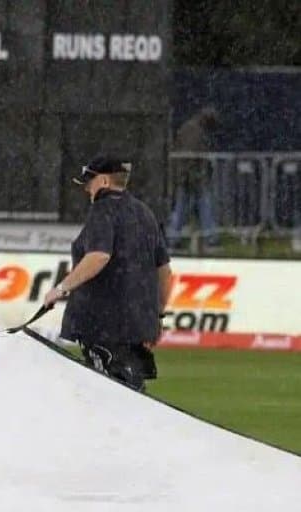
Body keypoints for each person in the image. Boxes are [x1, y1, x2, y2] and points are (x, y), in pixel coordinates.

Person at [44, 156, 172, 392]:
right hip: (136, 325)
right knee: (131, 394)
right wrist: (157, 316)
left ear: (103, 181)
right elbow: (164, 272)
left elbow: (98, 256)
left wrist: (60, 289)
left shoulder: (102, 210)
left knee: (106, 396)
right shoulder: (145, 213)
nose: (86, 189)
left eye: (89, 182)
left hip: (103, 323)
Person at [167, 106, 220, 250]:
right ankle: (210, 237)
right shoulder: (195, 132)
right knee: (202, 205)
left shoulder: (188, 128)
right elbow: (192, 157)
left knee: (182, 207)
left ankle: (174, 238)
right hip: (192, 177)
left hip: (186, 176)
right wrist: (194, 176)